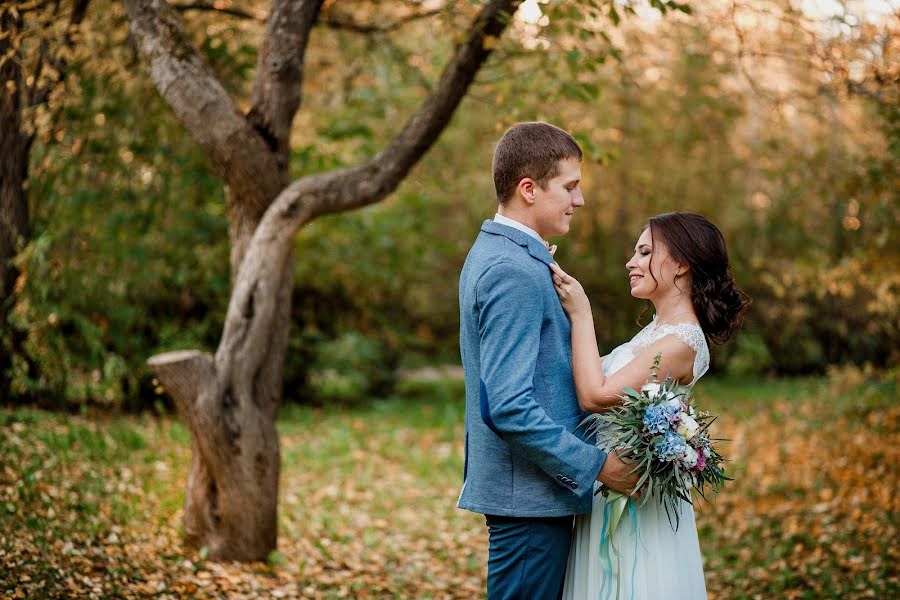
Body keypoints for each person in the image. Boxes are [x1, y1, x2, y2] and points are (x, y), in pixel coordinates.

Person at [457, 122, 639, 600]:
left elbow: (547, 373)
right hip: (528, 501)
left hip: (536, 498)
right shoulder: (511, 270)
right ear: (529, 189)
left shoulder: (513, 257)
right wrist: (599, 466)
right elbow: (508, 405)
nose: (579, 201)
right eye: (571, 187)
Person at [551, 211, 750, 599]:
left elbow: (594, 395)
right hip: (609, 487)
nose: (631, 262)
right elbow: (581, 370)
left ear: (680, 265)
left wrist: (581, 312)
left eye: (644, 252)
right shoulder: (654, 333)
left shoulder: (681, 342)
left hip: (636, 508)